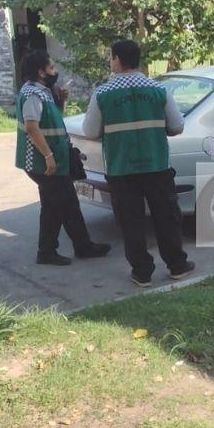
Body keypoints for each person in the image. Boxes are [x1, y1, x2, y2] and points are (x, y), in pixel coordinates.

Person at [82, 39, 194, 287]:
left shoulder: (102, 94)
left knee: (131, 221)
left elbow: (90, 132)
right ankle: (177, 265)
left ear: (119, 60)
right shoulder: (159, 91)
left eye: (112, 57)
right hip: (156, 167)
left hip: (122, 170)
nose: (111, 62)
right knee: (166, 217)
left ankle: (142, 272)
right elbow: (177, 127)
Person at [14, 50, 111, 265]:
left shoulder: (42, 91)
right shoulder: (33, 94)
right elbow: (32, 127)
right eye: (52, 68)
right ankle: (67, 248)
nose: (55, 72)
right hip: (44, 162)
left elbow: (51, 121)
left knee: (58, 205)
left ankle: (62, 248)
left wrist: (61, 101)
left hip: (51, 160)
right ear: (40, 72)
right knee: (62, 205)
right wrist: (48, 156)